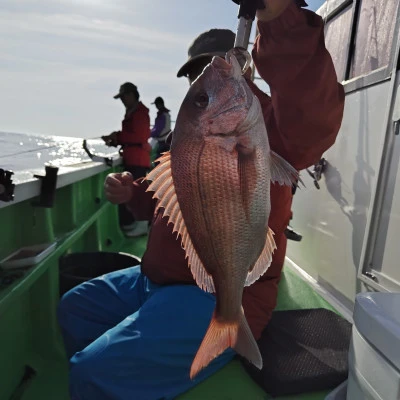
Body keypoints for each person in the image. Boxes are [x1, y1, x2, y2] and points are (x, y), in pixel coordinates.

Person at [58, 1, 345, 399]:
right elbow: (179, 198)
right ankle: (137, 374)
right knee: (76, 307)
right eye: (196, 72)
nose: (203, 76)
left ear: (244, 65)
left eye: (216, 64)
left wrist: (279, 21)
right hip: (155, 277)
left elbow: (310, 116)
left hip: (221, 292)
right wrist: (135, 195)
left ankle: (221, 334)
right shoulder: (195, 128)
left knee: (90, 373)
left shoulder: (269, 126)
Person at [102, 82, 151, 237]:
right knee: (132, 193)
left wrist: (117, 137)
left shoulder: (140, 113)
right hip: (133, 158)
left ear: (131, 95)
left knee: (138, 192)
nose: (122, 100)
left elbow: (140, 136)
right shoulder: (133, 112)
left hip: (138, 160)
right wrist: (117, 138)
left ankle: (142, 225)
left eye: (123, 97)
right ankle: (136, 224)